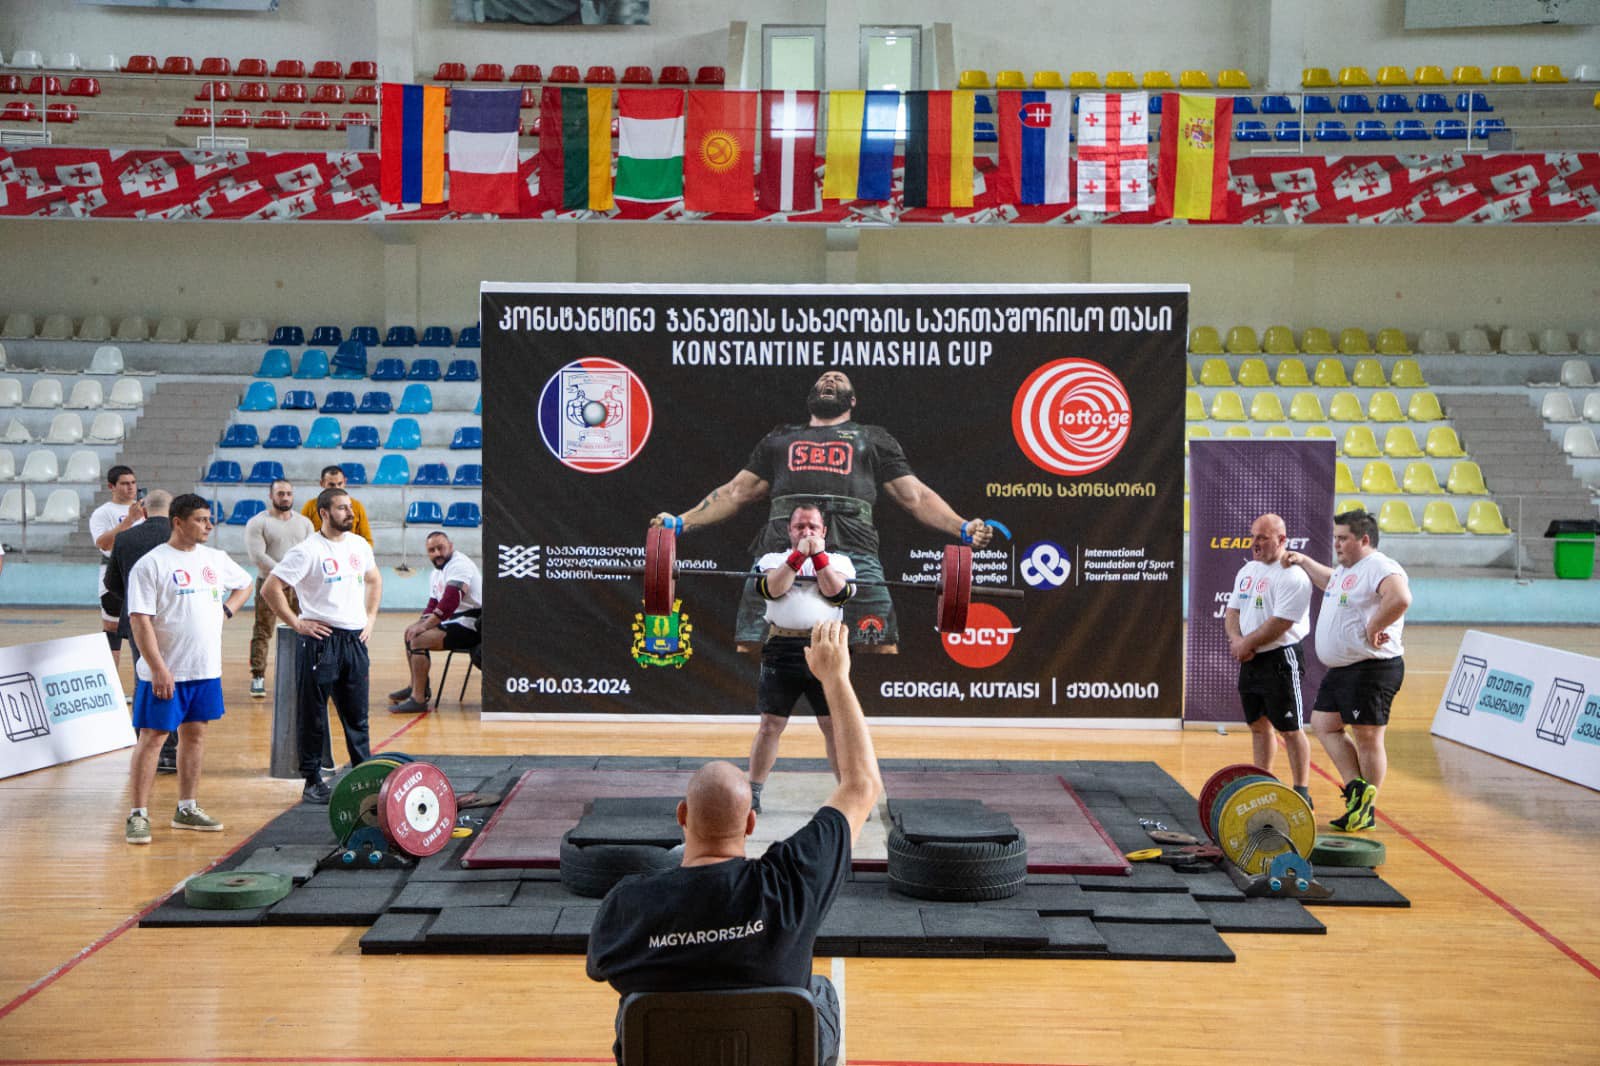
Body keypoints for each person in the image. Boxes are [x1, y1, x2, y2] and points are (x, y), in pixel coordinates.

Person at [587, 620, 880, 1066]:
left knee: (631, 1011)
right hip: (776, 1054)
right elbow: (860, 786)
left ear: (682, 817)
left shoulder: (629, 904)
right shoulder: (790, 883)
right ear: (749, 824)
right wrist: (835, 677)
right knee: (818, 991)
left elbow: (601, 968)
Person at [652, 370, 992, 651]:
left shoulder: (871, 437)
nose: (829, 381)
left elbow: (914, 496)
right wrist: (680, 522)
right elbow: (737, 492)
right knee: (754, 641)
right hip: (783, 542)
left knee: (878, 641)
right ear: (811, 396)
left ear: (852, 400)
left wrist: (962, 526)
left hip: (853, 544)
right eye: (823, 380)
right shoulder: (781, 437)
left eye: (839, 380)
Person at [122, 494, 252, 845]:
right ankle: (138, 814)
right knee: (153, 739)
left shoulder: (215, 558)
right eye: (200, 519)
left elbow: (245, 584)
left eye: (210, 519)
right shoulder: (151, 565)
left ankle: (187, 807)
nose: (208, 525)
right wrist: (159, 668)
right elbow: (140, 622)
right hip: (166, 673)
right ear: (177, 522)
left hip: (205, 670)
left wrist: (226, 611)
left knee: (195, 736)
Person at [1282, 509, 1412, 832]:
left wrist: (1374, 625)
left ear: (1364, 540)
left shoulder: (1380, 566)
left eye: (1343, 539)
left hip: (1372, 668)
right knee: (1324, 724)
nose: (1337, 544)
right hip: (1344, 669)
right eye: (1336, 538)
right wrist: (1303, 561)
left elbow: (1400, 598)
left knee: (1367, 737)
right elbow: (1329, 581)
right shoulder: (1346, 570)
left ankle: (1366, 810)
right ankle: (1357, 789)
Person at [262, 487, 381, 804]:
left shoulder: (358, 545)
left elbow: (374, 579)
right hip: (321, 641)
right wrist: (297, 622)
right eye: (342, 508)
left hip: (355, 640)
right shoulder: (307, 551)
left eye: (350, 507)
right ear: (324, 513)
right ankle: (312, 780)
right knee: (313, 714)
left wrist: (370, 618)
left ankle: (363, 774)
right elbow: (270, 588)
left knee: (357, 715)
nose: (350, 513)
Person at [746, 505, 857, 813]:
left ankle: (848, 793)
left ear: (824, 531)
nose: (806, 531)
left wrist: (817, 557)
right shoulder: (771, 561)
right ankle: (753, 793)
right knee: (770, 725)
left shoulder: (841, 562)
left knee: (833, 726)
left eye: (812, 527)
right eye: (799, 527)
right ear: (789, 531)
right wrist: (798, 557)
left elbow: (837, 594)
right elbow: (772, 590)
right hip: (782, 648)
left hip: (827, 649)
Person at [1224, 513, 1314, 807]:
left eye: (1263, 537)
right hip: (1250, 659)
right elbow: (1232, 612)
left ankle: (1301, 791)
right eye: (1253, 536)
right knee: (1258, 725)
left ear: (1282, 540)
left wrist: (1246, 643)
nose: (1255, 543)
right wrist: (1238, 642)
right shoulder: (1247, 570)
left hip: (1280, 658)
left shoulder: (1293, 576)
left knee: (1290, 728)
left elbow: (1281, 622)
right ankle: (1262, 782)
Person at [102, 490, 177, 774]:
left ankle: (146, 747)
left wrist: (136, 601)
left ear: (143, 511)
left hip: (137, 618)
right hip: (176, 618)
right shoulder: (179, 535)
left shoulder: (125, 538)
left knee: (143, 677)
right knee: (177, 678)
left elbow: (112, 583)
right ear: (172, 514)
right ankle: (171, 749)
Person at [389, 531, 482, 713]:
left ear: (451, 546)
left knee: (418, 640)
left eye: (441, 548)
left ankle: (418, 699)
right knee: (410, 632)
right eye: (432, 550)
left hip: (473, 623)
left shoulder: (459, 565)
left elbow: (449, 603)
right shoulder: (436, 573)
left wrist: (423, 627)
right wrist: (418, 624)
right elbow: (433, 604)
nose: (437, 553)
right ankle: (416, 686)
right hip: (456, 621)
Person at [244, 479, 314, 700]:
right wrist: (284, 575)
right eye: (281, 493)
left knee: (304, 628)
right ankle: (258, 676)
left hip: (299, 587)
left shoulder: (305, 523)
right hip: (269, 585)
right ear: (271, 496)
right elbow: (258, 556)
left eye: (289, 494)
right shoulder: (258, 523)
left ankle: (304, 674)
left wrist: (296, 577)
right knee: (263, 630)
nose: (285, 497)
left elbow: (311, 553)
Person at [89, 465, 145, 665]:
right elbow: (103, 544)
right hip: (115, 573)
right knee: (112, 629)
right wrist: (129, 521)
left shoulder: (146, 511)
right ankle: (112, 688)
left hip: (143, 574)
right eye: (124, 484)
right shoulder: (102, 513)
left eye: (133, 483)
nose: (130, 487)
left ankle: (145, 687)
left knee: (145, 628)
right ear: (111, 486)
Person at [299, 465, 374, 548]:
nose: (336, 488)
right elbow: (302, 537)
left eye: (339, 484)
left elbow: (367, 540)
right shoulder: (310, 506)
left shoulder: (357, 506)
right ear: (322, 483)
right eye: (331, 485)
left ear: (345, 482)